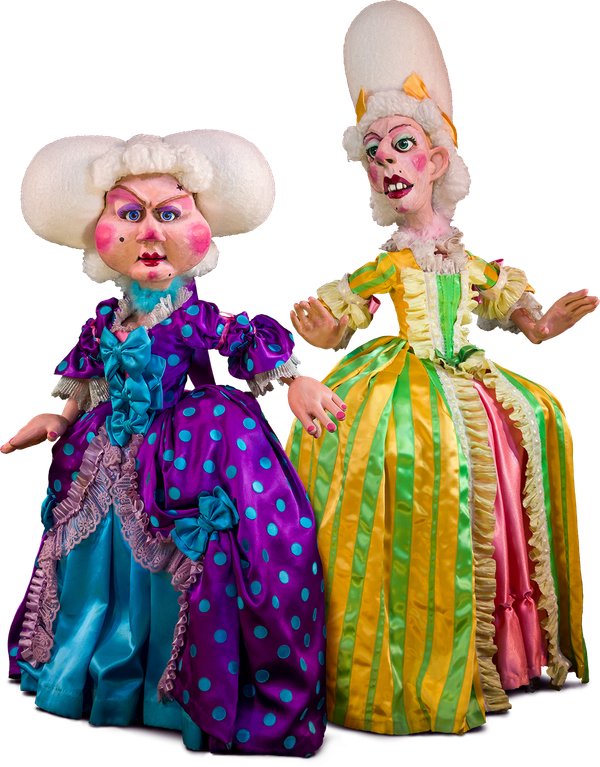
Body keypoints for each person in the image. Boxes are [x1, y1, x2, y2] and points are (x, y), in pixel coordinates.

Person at [286, 1, 593, 737]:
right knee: (398, 456)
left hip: (468, 375)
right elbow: (346, 312)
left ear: (438, 158)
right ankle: (408, 635)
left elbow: (514, 307)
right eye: (374, 153)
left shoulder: (470, 258)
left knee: (532, 426)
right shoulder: (390, 262)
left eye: (401, 145)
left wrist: (544, 324)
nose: (387, 162)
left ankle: (505, 650)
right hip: (406, 376)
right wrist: (326, 333)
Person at [5, 129, 346, 757]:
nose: (149, 233)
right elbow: (86, 382)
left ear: (200, 227)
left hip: (188, 453)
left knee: (185, 566)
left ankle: (178, 692)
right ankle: (109, 684)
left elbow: (244, 347)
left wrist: (292, 381)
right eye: (129, 214)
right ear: (100, 229)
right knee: (102, 573)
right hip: (109, 457)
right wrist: (58, 416)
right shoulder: (101, 323)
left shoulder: (196, 315)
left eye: (168, 214)